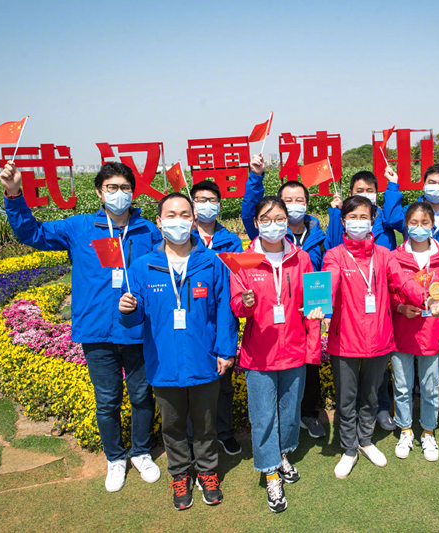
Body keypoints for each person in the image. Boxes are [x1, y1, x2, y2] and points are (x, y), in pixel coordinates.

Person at [0, 160, 161, 493]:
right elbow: (33, 233)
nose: (119, 193)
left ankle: (141, 452)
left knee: (142, 395)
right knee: (107, 400)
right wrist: (14, 194)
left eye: (125, 188)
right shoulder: (80, 227)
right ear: (100, 192)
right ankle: (115, 458)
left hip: (138, 329)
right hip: (97, 330)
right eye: (112, 187)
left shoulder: (148, 231)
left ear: (133, 192)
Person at [119, 192, 237, 511]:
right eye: (171, 215)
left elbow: (224, 310)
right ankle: (180, 474)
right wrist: (127, 309)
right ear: (159, 222)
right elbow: (134, 318)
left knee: (205, 424)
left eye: (185, 215)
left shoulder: (211, 263)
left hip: (204, 360)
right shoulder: (143, 267)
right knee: (172, 426)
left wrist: (226, 351)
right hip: (164, 364)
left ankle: (207, 472)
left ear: (194, 220)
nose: (178, 221)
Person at [322, 196, 439, 479]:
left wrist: (426, 299)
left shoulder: (384, 254)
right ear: (343, 221)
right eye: (352, 217)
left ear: (372, 221)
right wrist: (320, 304)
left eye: (363, 217)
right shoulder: (335, 255)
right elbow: (329, 280)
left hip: (379, 338)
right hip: (346, 339)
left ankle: (366, 440)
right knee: (347, 399)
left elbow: (403, 282)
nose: (358, 222)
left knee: (370, 396)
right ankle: (349, 448)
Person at [230, 196, 324, 513]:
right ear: (256, 223)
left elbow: (312, 304)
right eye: (267, 219)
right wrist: (245, 303)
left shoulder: (302, 259)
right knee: (263, 417)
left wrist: (316, 319)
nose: (274, 225)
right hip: (260, 354)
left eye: (280, 218)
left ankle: (282, 454)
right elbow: (237, 306)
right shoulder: (244, 261)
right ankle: (270, 473)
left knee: (289, 412)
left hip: (294, 350)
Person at [241, 154, 328, 439]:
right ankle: (274, 440)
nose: (293, 205)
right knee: (272, 393)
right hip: (272, 325)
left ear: (306, 203)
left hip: (306, 317)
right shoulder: (265, 239)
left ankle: (308, 416)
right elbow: (250, 210)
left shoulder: (318, 235)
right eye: (287, 201)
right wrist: (256, 177)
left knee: (306, 378)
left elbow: (326, 271)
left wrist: (322, 311)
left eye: (299, 199)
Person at [325, 170, 400, 432]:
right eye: (359, 191)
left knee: (375, 375)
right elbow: (332, 260)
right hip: (349, 315)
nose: (365, 195)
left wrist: (393, 187)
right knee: (349, 385)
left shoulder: (382, 231)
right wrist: (321, 306)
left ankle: (379, 411)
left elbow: (400, 278)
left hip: (380, 310)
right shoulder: (339, 240)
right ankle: (350, 436)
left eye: (370, 191)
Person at [388, 203, 439, 462]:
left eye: (425, 223)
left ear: (433, 225)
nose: (419, 228)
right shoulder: (394, 257)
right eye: (414, 223)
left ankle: (428, 431)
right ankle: (405, 430)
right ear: (406, 225)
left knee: (430, 388)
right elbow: (388, 293)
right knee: (402, 387)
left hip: (433, 333)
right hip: (402, 331)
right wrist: (400, 307)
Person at [187, 179, 243, 456]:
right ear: (192, 204)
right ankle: (193, 437)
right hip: (192, 316)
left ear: (219, 205)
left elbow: (238, 279)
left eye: (212, 200)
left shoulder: (231, 240)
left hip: (223, 315)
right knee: (191, 384)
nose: (206, 205)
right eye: (200, 200)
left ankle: (224, 432)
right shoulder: (184, 238)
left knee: (223, 383)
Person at [383, 163, 439, 246]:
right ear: (424, 186)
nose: (436, 187)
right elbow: (392, 220)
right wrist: (393, 184)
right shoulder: (410, 211)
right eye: (432, 182)